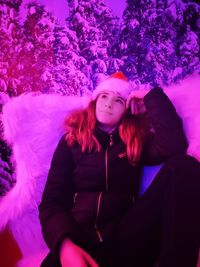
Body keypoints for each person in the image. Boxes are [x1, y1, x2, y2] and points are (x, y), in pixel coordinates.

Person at [39, 72, 200, 267]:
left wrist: (150, 97)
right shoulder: (70, 143)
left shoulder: (134, 141)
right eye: (104, 96)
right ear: (94, 101)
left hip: (126, 237)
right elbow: (51, 203)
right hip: (80, 239)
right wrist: (65, 246)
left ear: (126, 110)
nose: (109, 104)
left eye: (119, 100)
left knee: (184, 166)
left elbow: (174, 145)